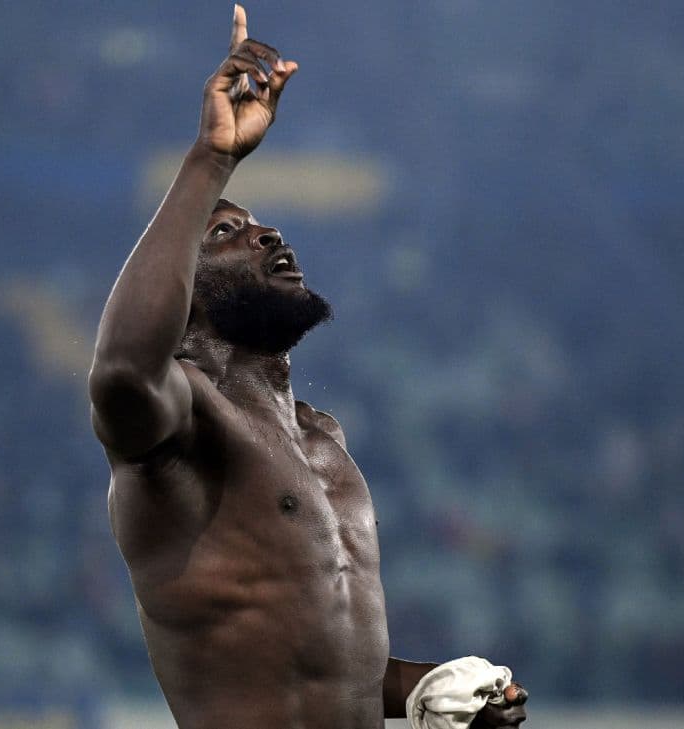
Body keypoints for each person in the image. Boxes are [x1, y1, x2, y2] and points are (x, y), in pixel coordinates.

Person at [88, 6, 527, 728]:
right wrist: (211, 158)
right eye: (226, 232)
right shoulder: (183, 421)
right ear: (180, 296)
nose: (265, 233)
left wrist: (426, 687)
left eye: (259, 223)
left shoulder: (321, 435)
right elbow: (122, 372)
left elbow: (323, 664)